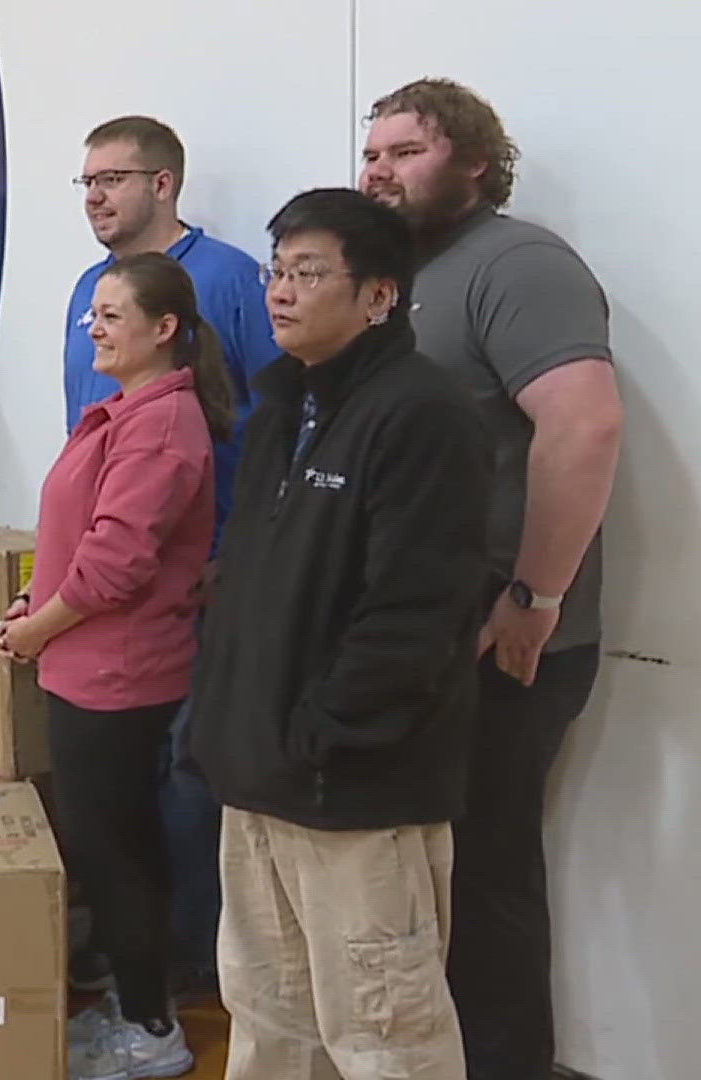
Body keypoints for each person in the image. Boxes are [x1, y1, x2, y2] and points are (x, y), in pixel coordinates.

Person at [189, 189, 491, 1078]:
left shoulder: (423, 415)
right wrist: (223, 725)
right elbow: (246, 590)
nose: (281, 290)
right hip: (256, 780)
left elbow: (417, 611)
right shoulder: (281, 406)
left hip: (352, 791)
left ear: (379, 296)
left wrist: (327, 737)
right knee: (269, 1017)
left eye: (309, 272)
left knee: (383, 1034)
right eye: (278, 269)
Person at [361, 78, 623, 1080]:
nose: (380, 169)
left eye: (407, 151)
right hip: (426, 632)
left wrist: (535, 597)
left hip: (505, 635)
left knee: (486, 877)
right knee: (430, 873)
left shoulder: (517, 264)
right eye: (373, 152)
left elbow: (585, 425)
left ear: (475, 162)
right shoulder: (400, 277)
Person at [0, 252, 233, 1080]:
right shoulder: (124, 411)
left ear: (164, 330)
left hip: (118, 675)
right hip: (82, 660)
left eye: (111, 315)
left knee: (117, 854)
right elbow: (75, 540)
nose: (92, 327)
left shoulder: (164, 427)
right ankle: (136, 1007)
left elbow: (116, 564)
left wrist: (39, 629)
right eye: (90, 313)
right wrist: (34, 605)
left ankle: (151, 1031)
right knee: (107, 848)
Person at [64, 115, 282, 995]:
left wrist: (237, 555)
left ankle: (187, 965)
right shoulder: (89, 285)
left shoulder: (230, 280)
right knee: (116, 799)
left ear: (163, 184)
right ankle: (131, 948)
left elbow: (275, 430)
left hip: (198, 584)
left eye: (109, 179)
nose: (94, 198)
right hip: (108, 597)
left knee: (188, 780)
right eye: (83, 184)